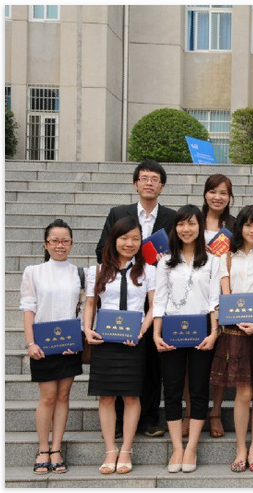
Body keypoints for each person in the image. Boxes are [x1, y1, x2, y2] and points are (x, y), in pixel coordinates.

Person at [95, 159, 174, 438]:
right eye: (144, 178)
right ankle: (118, 419)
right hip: (123, 295)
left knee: (151, 360)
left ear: (162, 186)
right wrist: (129, 264)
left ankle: (149, 417)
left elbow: (179, 254)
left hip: (157, 295)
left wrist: (164, 261)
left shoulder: (172, 217)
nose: (149, 183)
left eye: (155, 179)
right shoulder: (119, 213)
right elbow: (101, 249)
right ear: (135, 183)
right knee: (119, 356)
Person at [210, 205, 253, 473]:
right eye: (248, 224)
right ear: (239, 227)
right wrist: (236, 318)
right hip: (236, 331)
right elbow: (225, 293)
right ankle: (240, 448)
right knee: (244, 392)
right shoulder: (227, 256)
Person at [84, 217, 156, 475]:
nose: (129, 243)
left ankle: (126, 450)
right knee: (106, 396)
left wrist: (140, 332)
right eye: (124, 238)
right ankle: (110, 450)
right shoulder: (97, 270)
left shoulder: (148, 271)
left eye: (135, 238)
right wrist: (87, 329)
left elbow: (154, 306)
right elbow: (91, 303)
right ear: (114, 240)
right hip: (105, 340)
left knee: (131, 396)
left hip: (133, 340)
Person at [153, 205, 221, 474]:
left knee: (198, 389)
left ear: (200, 227)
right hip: (171, 329)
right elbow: (159, 300)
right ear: (175, 228)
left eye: (191, 223)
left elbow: (214, 300)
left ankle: (191, 447)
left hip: (201, 329)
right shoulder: (165, 262)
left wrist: (214, 332)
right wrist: (156, 334)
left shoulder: (212, 261)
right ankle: (177, 448)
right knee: (171, 390)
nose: (186, 229)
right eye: (181, 224)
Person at [21, 220, 85, 475]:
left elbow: (82, 310)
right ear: (46, 244)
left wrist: (77, 341)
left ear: (71, 243)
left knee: (63, 396)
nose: (60, 245)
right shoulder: (34, 272)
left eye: (65, 241)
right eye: (55, 241)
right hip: (43, 345)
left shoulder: (78, 273)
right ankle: (42, 449)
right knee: (47, 397)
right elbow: (29, 308)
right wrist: (30, 343)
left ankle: (56, 448)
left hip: (69, 345)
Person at [201, 173, 236, 440]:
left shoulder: (235, 226)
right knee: (194, 357)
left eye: (223, 192)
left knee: (221, 358)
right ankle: (194, 412)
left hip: (225, 293)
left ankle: (215, 412)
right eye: (213, 191)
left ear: (230, 197)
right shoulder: (192, 221)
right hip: (195, 296)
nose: (217, 197)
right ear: (205, 194)